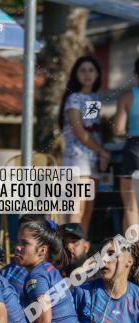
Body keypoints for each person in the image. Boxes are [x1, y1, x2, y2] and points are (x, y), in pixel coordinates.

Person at [61, 56, 110, 234]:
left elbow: (93, 129)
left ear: (98, 74)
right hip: (76, 159)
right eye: (83, 70)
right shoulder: (73, 98)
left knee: (88, 211)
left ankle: (80, 252)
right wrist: (102, 151)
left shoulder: (94, 98)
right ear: (76, 74)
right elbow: (79, 131)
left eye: (91, 70)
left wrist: (100, 153)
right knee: (75, 209)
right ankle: (69, 255)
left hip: (91, 160)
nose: (87, 74)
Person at [114, 56, 139, 232]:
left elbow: (118, 130)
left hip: (134, 149)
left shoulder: (128, 96)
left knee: (131, 207)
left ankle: (133, 254)